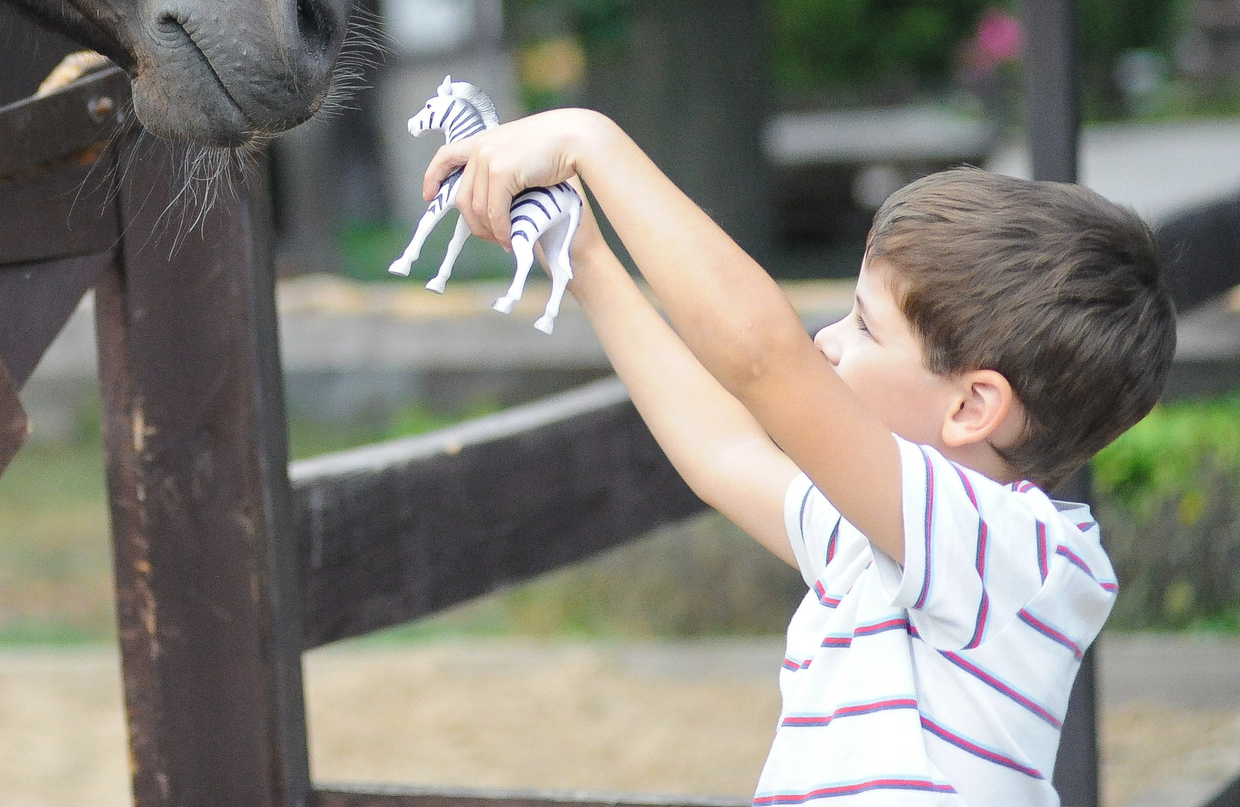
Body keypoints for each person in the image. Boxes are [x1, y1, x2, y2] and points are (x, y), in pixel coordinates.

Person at [426, 111, 1177, 805]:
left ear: (971, 407)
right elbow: (724, 451)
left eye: (864, 326)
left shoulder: (1011, 556)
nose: (828, 342)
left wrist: (590, 139)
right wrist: (580, 250)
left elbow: (762, 357)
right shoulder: (883, 543)